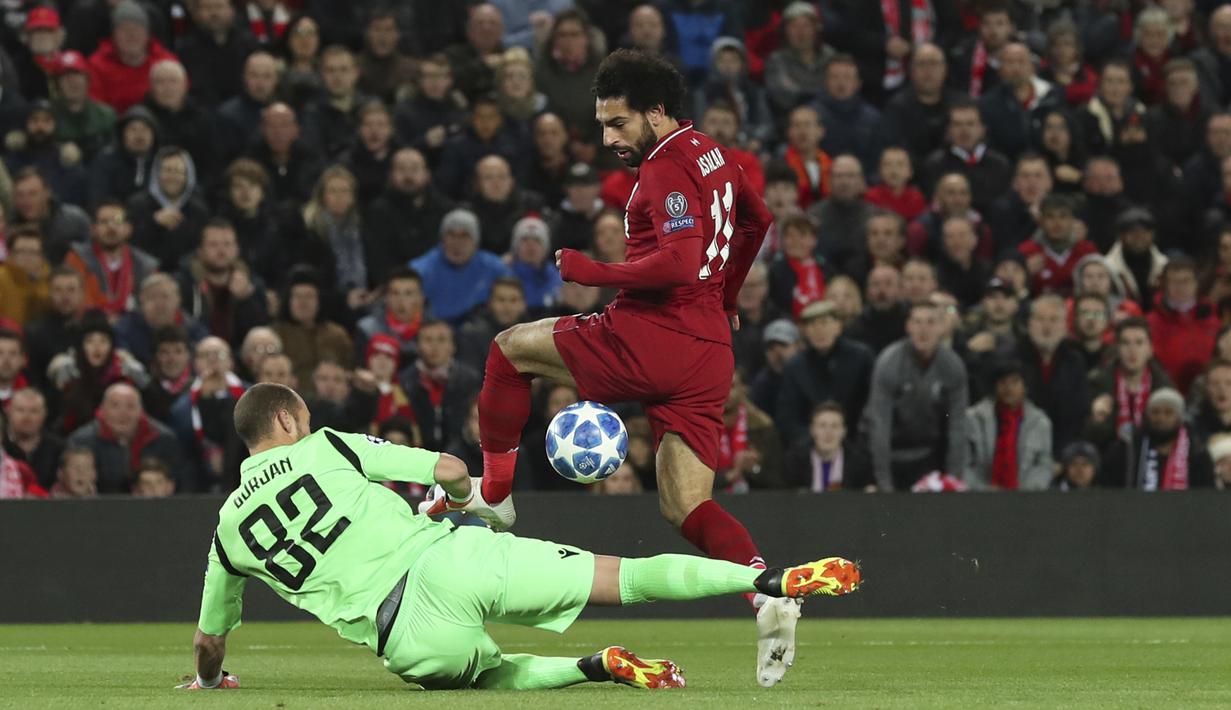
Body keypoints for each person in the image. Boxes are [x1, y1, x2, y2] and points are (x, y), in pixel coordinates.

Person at [177, 383, 860, 692]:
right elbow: (451, 470)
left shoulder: (227, 531)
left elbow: (209, 642)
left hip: (405, 634)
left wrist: (212, 682)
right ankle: (764, 580)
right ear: (289, 421)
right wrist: (465, 504)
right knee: (623, 576)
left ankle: (592, 667)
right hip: (457, 557)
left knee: (491, 675)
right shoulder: (327, 445)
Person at [468, 49, 797, 686]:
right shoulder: (714, 153)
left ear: (656, 112)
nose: (608, 138)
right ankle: (764, 594)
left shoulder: (666, 168)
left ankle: (497, 495)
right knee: (687, 505)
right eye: (602, 124)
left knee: (508, 350)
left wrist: (593, 271)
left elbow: (678, 261)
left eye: (618, 123)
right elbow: (758, 221)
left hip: (651, 333)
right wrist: (728, 298)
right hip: (708, 350)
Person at [865, 301, 969, 491]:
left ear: (941, 327)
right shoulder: (889, 363)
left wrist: (953, 480)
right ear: (908, 326)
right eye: (917, 322)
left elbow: (957, 426)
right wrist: (884, 483)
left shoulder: (953, 367)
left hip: (929, 454)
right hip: (892, 451)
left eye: (930, 322)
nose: (923, 330)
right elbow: (880, 425)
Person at [775, 300, 873, 445]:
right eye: (812, 324)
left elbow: (870, 404)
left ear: (838, 326)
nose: (819, 330)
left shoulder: (861, 358)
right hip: (809, 445)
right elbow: (788, 416)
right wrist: (813, 443)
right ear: (805, 331)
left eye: (824, 323)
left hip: (853, 442)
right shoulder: (795, 367)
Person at [65, 381, 183, 493]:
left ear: (141, 411)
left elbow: (180, 483)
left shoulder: (164, 440)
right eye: (115, 406)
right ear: (102, 410)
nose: (123, 413)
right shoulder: (81, 442)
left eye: (130, 406)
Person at [963, 360, 1054, 491]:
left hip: (1026, 497)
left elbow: (1044, 466)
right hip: (979, 495)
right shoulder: (973, 419)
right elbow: (963, 464)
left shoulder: (1040, 423)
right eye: (1003, 382)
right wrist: (982, 489)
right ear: (994, 386)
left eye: (1015, 382)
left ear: (1025, 387)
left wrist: (1024, 493)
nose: (1009, 388)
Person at [1085, 317, 1173, 453]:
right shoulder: (1096, 384)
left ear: (1150, 350)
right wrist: (1097, 421)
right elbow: (1085, 438)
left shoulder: (1165, 389)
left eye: (1139, 343)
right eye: (1125, 343)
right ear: (1117, 349)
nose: (1132, 350)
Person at [1100, 387, 1212, 489]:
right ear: (1147, 417)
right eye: (1155, 412)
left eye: (1168, 413)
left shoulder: (1196, 451)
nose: (1161, 418)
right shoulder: (1127, 449)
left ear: (1179, 420)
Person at [63, 200, 159, 318]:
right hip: (89, 324)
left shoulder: (146, 266)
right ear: (93, 229)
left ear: (128, 229)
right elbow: (78, 302)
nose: (111, 227)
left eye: (117, 221)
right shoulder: (77, 258)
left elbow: (151, 305)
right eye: (104, 222)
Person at [782, 402, 872, 491]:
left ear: (844, 431)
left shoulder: (859, 461)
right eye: (822, 426)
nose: (828, 432)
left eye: (835, 426)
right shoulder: (795, 461)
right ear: (812, 430)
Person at [2, 388, 64, 490]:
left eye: (34, 411)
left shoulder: (58, 449)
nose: (27, 417)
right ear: (8, 411)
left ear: (44, 414)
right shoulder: (1, 446)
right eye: (20, 410)